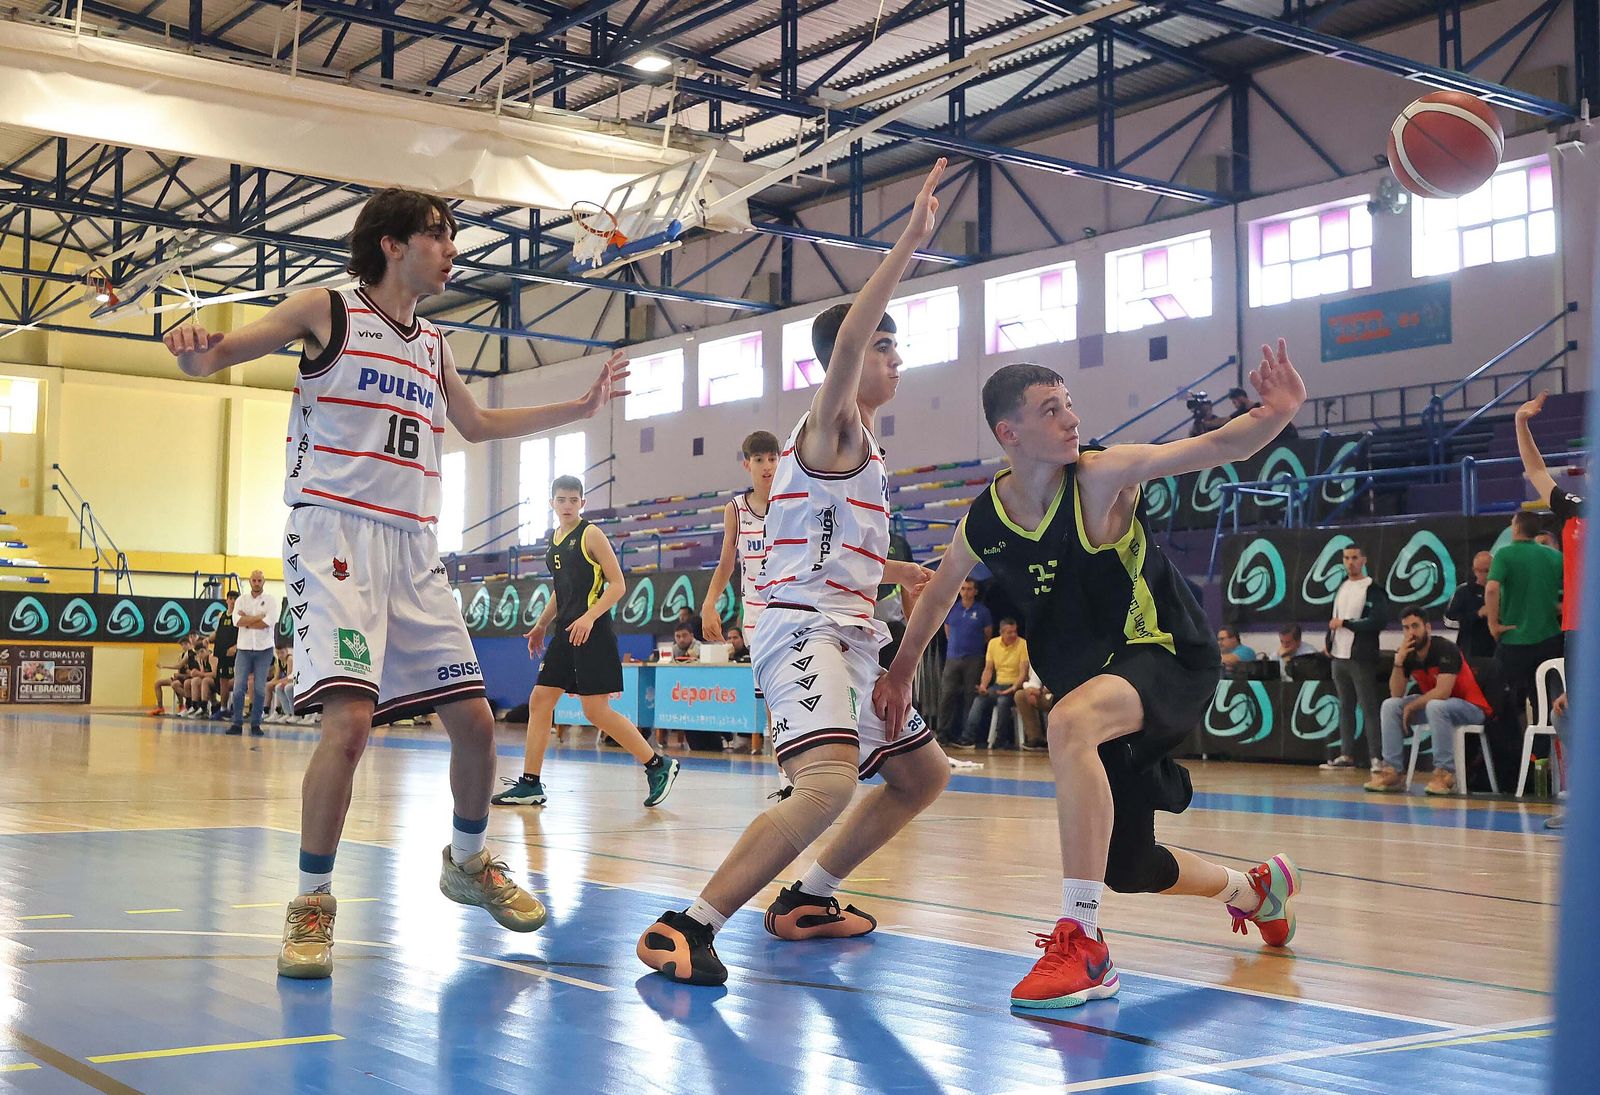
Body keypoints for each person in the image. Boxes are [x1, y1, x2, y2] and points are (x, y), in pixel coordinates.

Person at [163, 187, 628, 979]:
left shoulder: (435, 342)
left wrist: (578, 407)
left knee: (478, 724)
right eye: (439, 237)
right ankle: (312, 901)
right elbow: (216, 356)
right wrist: (191, 345)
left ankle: (469, 861)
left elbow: (476, 425)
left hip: (416, 547)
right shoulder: (326, 309)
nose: (452, 251)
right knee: (348, 726)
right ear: (391, 243)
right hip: (334, 537)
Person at [876, 339, 1308, 1011]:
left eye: (1071, 404)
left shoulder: (1101, 476)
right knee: (1130, 866)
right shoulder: (987, 518)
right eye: (1052, 410)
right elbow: (935, 595)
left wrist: (1277, 412)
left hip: (1164, 654)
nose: (1072, 420)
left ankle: (1084, 940)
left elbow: (1216, 448)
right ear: (1009, 433)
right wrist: (901, 673)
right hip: (1100, 690)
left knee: (1068, 719)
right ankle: (1256, 890)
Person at [635, 160, 948, 987]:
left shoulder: (866, 450)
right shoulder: (829, 425)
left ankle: (809, 896)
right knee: (826, 784)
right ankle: (687, 924)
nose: (895, 358)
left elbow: (833, 551)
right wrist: (907, 246)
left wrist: (901, 572)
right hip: (801, 629)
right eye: (888, 345)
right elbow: (847, 339)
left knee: (923, 774)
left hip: (845, 625)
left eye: (894, 347)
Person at [493, 476, 680, 810]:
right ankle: (530, 783)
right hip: (565, 631)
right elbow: (560, 589)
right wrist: (541, 624)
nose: (567, 505)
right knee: (540, 700)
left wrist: (590, 616)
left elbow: (618, 584)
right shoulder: (555, 539)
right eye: (561, 499)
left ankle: (657, 765)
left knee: (595, 711)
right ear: (551, 503)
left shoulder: (590, 534)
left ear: (583, 503)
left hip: (592, 630)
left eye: (573, 500)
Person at [1515, 390, 1583, 830]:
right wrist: (1521, 423)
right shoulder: (1575, 510)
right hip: (1577, 635)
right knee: (1568, 712)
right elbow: (1536, 471)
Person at [701, 429, 780, 751]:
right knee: (772, 696)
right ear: (747, 464)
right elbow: (725, 564)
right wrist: (709, 605)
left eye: (772, 459)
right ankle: (785, 777)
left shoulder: (793, 501)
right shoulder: (736, 508)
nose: (767, 466)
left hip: (793, 605)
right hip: (757, 612)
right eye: (759, 459)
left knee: (793, 690)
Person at [1365, 608, 1494, 795]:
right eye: (1406, 628)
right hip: (1438, 708)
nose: (1411, 632)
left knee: (1435, 705)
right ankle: (1393, 771)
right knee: (1390, 706)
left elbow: (1442, 692)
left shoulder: (1445, 648)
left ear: (1427, 627)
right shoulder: (1408, 653)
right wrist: (1399, 662)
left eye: (1415, 626)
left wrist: (1412, 706)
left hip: (1471, 707)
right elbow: (1396, 693)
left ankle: (1445, 773)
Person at [1487, 510, 1564, 723]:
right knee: (1545, 698)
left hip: (1514, 639)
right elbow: (1577, 588)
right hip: (1549, 639)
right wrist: (1558, 606)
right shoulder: (1555, 557)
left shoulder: (1505, 554)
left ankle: (1507, 752)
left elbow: (1492, 589)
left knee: (1500, 697)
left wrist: (1493, 623)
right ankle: (1543, 753)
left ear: (1517, 527)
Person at [1323, 544, 1388, 771]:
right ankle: (1346, 753)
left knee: (1368, 706)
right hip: (1339, 656)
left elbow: (1378, 621)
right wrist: (1329, 641)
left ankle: (1376, 757)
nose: (1350, 562)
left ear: (1363, 561)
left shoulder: (1372, 589)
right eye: (1346, 558)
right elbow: (1335, 617)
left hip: (1360, 656)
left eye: (1354, 558)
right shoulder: (1342, 587)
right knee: (1345, 706)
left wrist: (1347, 624)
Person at [955, 618, 1029, 749]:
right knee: (979, 700)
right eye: (1009, 632)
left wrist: (1012, 688)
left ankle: (1000, 740)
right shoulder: (993, 644)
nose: (1013, 635)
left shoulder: (1022, 644)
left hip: (1015, 686)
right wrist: (983, 685)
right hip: (998, 685)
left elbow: (1023, 673)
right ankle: (967, 738)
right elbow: (988, 669)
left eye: (1015, 632)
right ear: (1001, 632)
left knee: (1003, 701)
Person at [937, 578, 993, 743]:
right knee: (947, 695)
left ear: (975, 591)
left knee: (971, 697)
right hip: (953, 657)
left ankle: (967, 735)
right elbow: (947, 631)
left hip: (973, 658)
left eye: (969, 589)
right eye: (963, 589)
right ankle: (942, 733)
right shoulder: (952, 609)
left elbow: (987, 635)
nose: (966, 592)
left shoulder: (982, 611)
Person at [227, 570, 280, 737]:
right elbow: (237, 621)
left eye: (259, 580)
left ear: (263, 581)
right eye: (254, 580)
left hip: (264, 650)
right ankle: (237, 722)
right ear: (249, 581)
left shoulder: (271, 601)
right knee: (238, 687)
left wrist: (248, 620)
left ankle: (256, 723)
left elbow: (268, 623)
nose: (256, 583)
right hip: (244, 648)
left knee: (258, 689)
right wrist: (257, 617)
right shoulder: (241, 600)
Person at [1444, 551, 1496, 659]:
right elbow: (1449, 621)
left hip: (1499, 651)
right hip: (1470, 653)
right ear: (1474, 570)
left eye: (1486, 570)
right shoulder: (1463, 591)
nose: (1483, 574)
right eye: (1478, 570)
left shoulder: (1504, 591)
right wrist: (1477, 614)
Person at [150, 634, 198, 716]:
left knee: (175, 684)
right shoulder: (182, 655)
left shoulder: (193, 653)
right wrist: (178, 675)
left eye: (185, 644)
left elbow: (185, 669)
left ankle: (187, 703)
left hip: (188, 677)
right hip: (182, 677)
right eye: (182, 645)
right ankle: (160, 707)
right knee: (158, 683)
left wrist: (164, 666)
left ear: (190, 644)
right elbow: (179, 668)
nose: (184, 646)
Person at [1014, 667, 1052, 751]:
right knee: (1021, 696)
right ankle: (1035, 738)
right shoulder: (1043, 658)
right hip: (1044, 693)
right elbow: (1034, 681)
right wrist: (1031, 690)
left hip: (1065, 694)